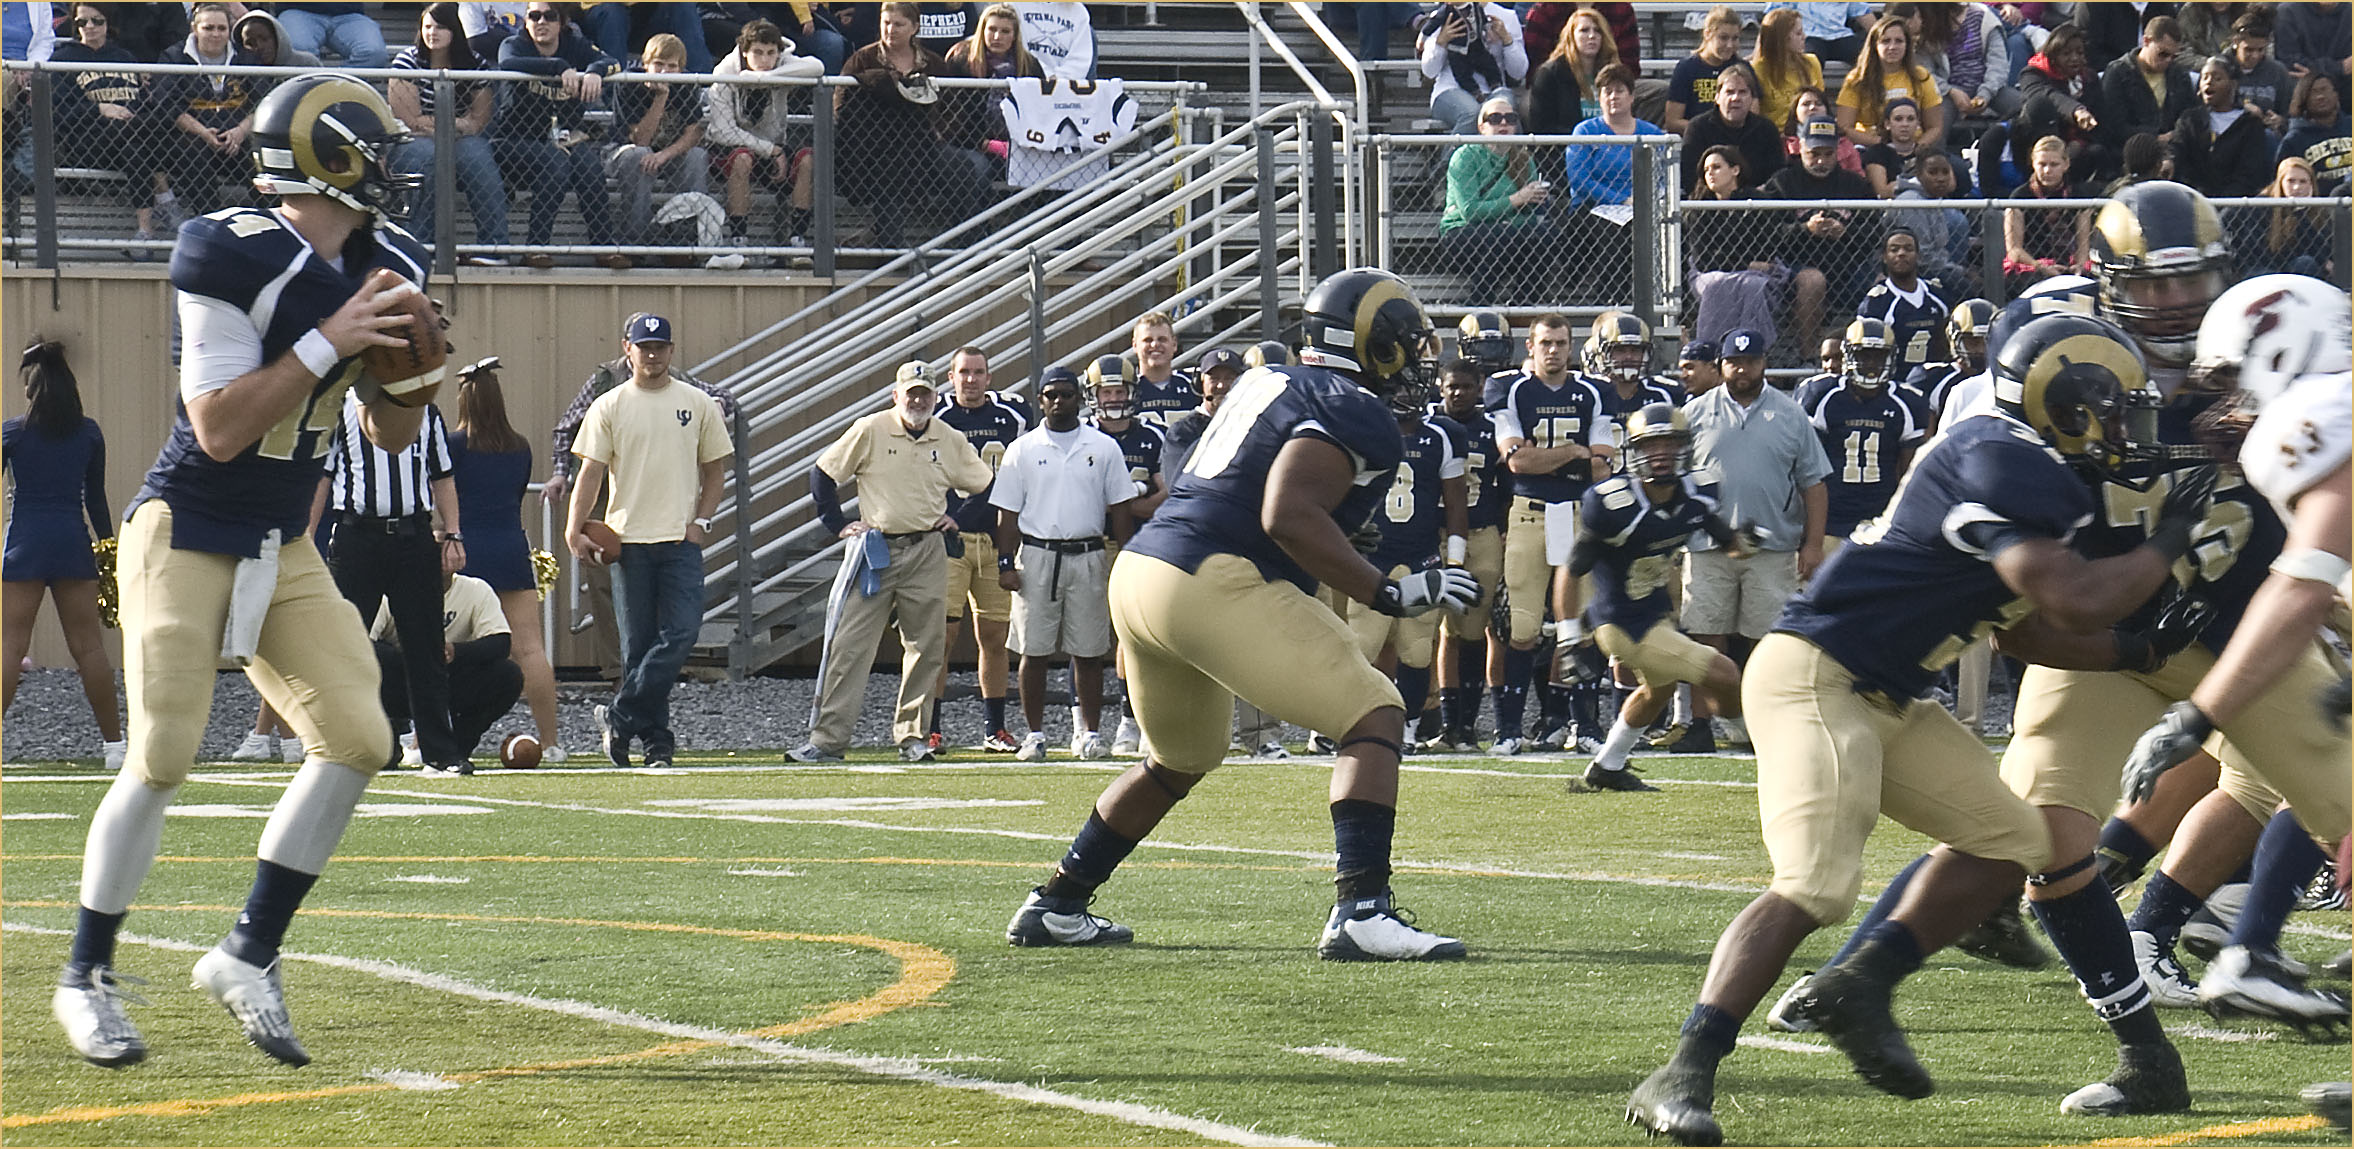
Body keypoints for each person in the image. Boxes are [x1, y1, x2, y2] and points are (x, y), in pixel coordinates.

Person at [1624, 313, 2218, 1145]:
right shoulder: (2002, 456)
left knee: (2025, 842)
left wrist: (2137, 645)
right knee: (1817, 884)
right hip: (1818, 675)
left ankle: (1863, 990)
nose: (2128, 426)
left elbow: (2018, 629)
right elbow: (2071, 596)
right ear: (2068, 403)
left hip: (1896, 696)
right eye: (2115, 406)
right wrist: (2172, 535)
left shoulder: (2030, 467)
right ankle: (1683, 1069)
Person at [50, 74, 425, 1071]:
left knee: (358, 736)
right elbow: (215, 428)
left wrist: (413, 382)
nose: (393, 162)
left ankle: (248, 951)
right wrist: (327, 342)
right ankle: (84, 975)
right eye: (376, 144)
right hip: (185, 525)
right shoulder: (229, 246)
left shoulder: (388, 262)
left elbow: (388, 427)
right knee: (164, 754)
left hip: (280, 542)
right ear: (327, 154)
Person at [1003, 266, 1476, 962]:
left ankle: (1058, 901)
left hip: (1142, 574)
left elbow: (1222, 477)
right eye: (1408, 344)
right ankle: (1362, 909)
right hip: (1210, 579)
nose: (1417, 362)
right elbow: (1285, 513)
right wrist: (1387, 591)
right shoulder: (1356, 407)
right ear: (1372, 345)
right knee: (1375, 708)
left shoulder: (1262, 379)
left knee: (1182, 756)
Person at [2122, 273, 2354, 1017]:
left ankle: (2246, 949)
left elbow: (2301, 584)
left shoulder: (2320, 415)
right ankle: (2248, 949)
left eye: (2234, 371)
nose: (2233, 396)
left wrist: (2201, 712)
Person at [794, 362, 993, 764]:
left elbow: (985, 484)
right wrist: (838, 525)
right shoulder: (870, 429)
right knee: (850, 645)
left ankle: (913, 737)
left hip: (927, 550)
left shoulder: (948, 438)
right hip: (876, 550)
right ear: (895, 395)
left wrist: (961, 518)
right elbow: (823, 474)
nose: (918, 401)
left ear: (935, 398)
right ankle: (828, 739)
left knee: (926, 647)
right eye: (911, 393)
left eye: (925, 394)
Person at [565, 314, 731, 770]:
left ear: (672, 351)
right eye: (644, 346)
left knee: (681, 632)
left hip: (680, 539)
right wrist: (574, 526)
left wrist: (702, 521)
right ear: (627, 349)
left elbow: (715, 469)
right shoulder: (610, 405)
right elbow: (591, 472)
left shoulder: (697, 403)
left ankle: (619, 717)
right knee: (636, 648)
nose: (652, 355)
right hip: (629, 540)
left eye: (660, 347)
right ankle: (656, 743)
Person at [1570, 404, 1748, 791]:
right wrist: (1569, 635)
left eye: (1669, 443)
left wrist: (1748, 542)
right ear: (1634, 451)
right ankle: (1753, 743)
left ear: (1685, 447)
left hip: (1654, 615)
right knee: (1726, 673)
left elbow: (1729, 541)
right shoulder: (1613, 503)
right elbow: (1570, 571)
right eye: (1651, 445)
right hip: (1619, 622)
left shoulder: (1696, 493)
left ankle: (1607, 766)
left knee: (1658, 691)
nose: (1661, 454)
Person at [318, 364, 468, 775]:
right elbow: (323, 479)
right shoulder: (341, 409)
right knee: (345, 644)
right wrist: (303, 539)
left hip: (412, 535)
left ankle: (439, 751)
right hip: (356, 535)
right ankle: (340, 745)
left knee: (425, 647)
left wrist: (452, 533)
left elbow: (443, 476)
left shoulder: (426, 413)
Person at [990, 368, 1135, 760]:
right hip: (1037, 555)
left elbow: (1120, 506)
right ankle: (1034, 734)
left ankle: (1089, 733)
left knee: (1088, 651)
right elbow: (1007, 512)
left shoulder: (1102, 446)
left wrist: (1126, 557)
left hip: (1088, 553)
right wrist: (1005, 563)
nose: (1058, 401)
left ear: (1078, 398)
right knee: (1032, 651)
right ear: (1040, 400)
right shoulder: (1023, 449)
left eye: (1066, 394)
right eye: (1050, 395)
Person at [1489, 313, 1611, 755]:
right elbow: (1517, 461)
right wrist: (1571, 453)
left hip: (1580, 515)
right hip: (1529, 514)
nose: (1554, 350)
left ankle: (1587, 726)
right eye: (1546, 343)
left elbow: (1600, 463)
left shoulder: (1593, 391)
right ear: (1530, 347)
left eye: (1561, 342)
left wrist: (1549, 457)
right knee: (1521, 627)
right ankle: (1507, 729)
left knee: (1579, 625)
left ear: (1571, 345)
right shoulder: (1510, 388)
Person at [2, 338, 123, 767]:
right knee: (89, 648)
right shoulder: (89, 433)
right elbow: (97, 499)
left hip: (24, 543)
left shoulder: (12, 433)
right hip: (72, 542)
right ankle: (114, 747)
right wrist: (108, 549)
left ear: (32, 390)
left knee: (10, 647)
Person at [1339, 353, 1468, 751]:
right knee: (1361, 646)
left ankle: (1409, 728)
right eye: (1399, 386)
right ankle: (1342, 722)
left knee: (1415, 652)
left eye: (1413, 385)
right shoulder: (1364, 431)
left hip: (1422, 555)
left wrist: (1456, 564)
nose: (1406, 393)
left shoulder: (1443, 436)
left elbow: (1456, 505)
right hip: (1372, 556)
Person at [446, 359, 563, 761]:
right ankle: (551, 743)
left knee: (448, 644)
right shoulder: (520, 446)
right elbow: (513, 495)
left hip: (464, 551)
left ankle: (423, 737)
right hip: (512, 548)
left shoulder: (453, 445)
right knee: (530, 648)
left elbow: (442, 496)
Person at [835, 2, 992, 249]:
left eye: (899, 24)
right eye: (886, 23)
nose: (891, 30)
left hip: (926, 145)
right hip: (877, 150)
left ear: (915, 27)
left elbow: (953, 108)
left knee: (962, 167)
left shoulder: (934, 63)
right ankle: (891, 249)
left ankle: (967, 244)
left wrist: (941, 132)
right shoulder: (862, 60)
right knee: (889, 173)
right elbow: (840, 104)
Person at [935, 346, 1030, 752]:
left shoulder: (1014, 415)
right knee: (941, 636)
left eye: (978, 372)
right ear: (951, 377)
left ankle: (995, 728)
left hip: (996, 539)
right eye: (963, 373)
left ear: (989, 377)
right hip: (949, 543)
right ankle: (930, 727)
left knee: (994, 636)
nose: (970, 380)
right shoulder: (936, 416)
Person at [495, 2, 628, 270]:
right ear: (526, 21)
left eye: (549, 16)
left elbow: (612, 61)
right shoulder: (514, 44)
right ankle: (536, 248)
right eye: (534, 16)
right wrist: (559, 67)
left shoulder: (575, 44)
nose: (541, 22)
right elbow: (507, 63)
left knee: (589, 166)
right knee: (555, 162)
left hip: (563, 139)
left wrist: (594, 71)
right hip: (513, 140)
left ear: (562, 22)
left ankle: (603, 247)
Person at [1428, 357, 1508, 752]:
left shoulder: (1493, 429)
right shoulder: (1428, 427)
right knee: (1440, 631)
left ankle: (1467, 726)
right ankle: (1443, 724)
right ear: (1440, 388)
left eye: (1465, 386)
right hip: (1435, 535)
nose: (1457, 393)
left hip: (1482, 533)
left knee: (1473, 632)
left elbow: (1507, 484)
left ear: (1480, 388)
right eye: (1451, 386)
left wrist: (1506, 529)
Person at [389, 3, 509, 264]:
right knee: (429, 158)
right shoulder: (407, 61)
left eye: (441, 27)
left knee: (478, 159)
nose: (433, 33)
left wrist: (445, 126)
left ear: (455, 30)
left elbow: (479, 120)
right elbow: (410, 121)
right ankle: (423, 247)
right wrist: (456, 123)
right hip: (414, 141)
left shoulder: (473, 64)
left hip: (460, 139)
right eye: (428, 27)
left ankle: (495, 248)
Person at [1796, 318, 1927, 553]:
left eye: (1878, 356)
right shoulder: (1822, 394)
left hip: (1880, 519)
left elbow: (1909, 473)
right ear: (1847, 355)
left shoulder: (1907, 402)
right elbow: (1808, 468)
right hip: (1830, 519)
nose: (1870, 363)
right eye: (1863, 355)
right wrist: (1809, 533)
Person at [370, 570, 523, 771]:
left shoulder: (476, 590)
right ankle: (386, 732)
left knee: (507, 675)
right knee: (369, 661)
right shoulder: (388, 590)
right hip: (403, 682)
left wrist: (455, 651)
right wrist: (415, 657)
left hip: (448, 678)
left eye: (456, 539)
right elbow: (362, 643)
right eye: (444, 540)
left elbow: (500, 642)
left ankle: (457, 746)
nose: (452, 549)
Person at [1764, 116, 1881, 361]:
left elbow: (1875, 232)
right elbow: (1767, 234)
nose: (1821, 161)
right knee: (1813, 280)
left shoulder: (1855, 185)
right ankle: (1810, 360)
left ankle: (1875, 356)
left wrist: (1846, 232)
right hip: (1794, 268)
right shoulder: (1783, 182)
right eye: (1814, 153)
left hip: (1849, 267)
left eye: (1828, 154)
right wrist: (1805, 229)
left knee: (1884, 279)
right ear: (1800, 147)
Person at [49, 3, 163, 256]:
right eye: (82, 22)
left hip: (133, 140)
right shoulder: (62, 59)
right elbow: (58, 113)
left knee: (138, 141)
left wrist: (129, 114)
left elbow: (142, 103)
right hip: (87, 142)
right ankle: (166, 201)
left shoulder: (124, 58)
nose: (89, 27)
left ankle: (146, 231)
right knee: (130, 136)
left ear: (108, 24)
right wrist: (100, 109)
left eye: (97, 21)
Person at [706, 19, 823, 254]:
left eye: (770, 53)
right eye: (757, 53)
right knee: (742, 159)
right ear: (745, 51)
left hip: (774, 147)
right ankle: (739, 240)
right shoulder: (725, 72)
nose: (764, 60)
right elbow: (723, 131)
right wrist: (771, 150)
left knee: (807, 159)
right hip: (730, 149)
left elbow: (816, 67)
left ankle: (797, 240)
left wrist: (764, 78)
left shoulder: (779, 63)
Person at [1438, 94, 1562, 306]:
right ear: (1481, 126)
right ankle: (1479, 302)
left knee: (1547, 233)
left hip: (1511, 236)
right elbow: (1470, 212)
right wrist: (1516, 199)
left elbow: (1531, 215)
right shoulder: (1465, 156)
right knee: (1501, 234)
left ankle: (1525, 303)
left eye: (1510, 118)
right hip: (1461, 234)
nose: (1503, 123)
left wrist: (1529, 205)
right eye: (1495, 119)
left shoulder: (1523, 159)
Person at [1562, 64, 1662, 305]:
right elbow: (1580, 179)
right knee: (1614, 233)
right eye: (1607, 92)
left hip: (1641, 206)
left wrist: (1647, 200)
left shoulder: (1652, 133)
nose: (1612, 97)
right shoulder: (1585, 130)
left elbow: (1662, 175)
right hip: (1593, 208)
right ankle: (1608, 302)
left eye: (1619, 91)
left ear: (1632, 97)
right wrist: (1621, 199)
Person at [156, 3, 264, 217]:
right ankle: (210, 220)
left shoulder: (245, 58)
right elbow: (167, 105)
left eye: (221, 28)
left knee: (259, 155)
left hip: (238, 137)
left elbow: (261, 100)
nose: (216, 34)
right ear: (194, 29)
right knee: (191, 151)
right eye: (208, 28)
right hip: (193, 137)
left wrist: (240, 132)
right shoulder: (174, 56)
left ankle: (274, 219)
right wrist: (203, 132)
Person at [608, 32, 712, 250]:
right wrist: (661, 98)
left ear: (681, 69)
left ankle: (685, 243)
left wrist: (664, 154)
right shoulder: (628, 82)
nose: (665, 72)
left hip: (666, 153)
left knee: (697, 157)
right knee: (639, 156)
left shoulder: (685, 84)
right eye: (658, 64)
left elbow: (694, 133)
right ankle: (635, 243)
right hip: (624, 151)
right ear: (646, 64)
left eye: (672, 66)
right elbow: (640, 139)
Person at [1684, 144, 1780, 350]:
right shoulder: (1698, 206)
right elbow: (1704, 260)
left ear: (1735, 170)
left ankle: (1753, 351)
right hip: (1708, 274)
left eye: (1716, 167)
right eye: (1706, 169)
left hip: (1754, 275)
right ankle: (1713, 352)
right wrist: (1745, 262)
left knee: (1752, 286)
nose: (1710, 173)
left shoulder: (1758, 202)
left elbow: (1764, 249)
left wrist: (1731, 258)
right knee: (1716, 284)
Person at [2017, 21, 2118, 185]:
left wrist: (2081, 142)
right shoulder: (2032, 74)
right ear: (2054, 56)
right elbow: (2048, 95)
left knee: (2100, 152)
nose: (2075, 59)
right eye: (2067, 54)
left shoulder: (2090, 79)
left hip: (2079, 147)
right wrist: (2076, 110)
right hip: (2039, 147)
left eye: (2079, 53)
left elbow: (2102, 121)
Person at [1415, 1, 1528, 135]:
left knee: (1505, 114)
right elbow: (1429, 71)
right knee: (1472, 113)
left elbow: (1518, 72)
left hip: (1494, 88)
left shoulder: (1507, 17)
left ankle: (1516, 156)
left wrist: (1507, 40)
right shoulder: (1445, 14)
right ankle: (1453, 157)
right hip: (1450, 88)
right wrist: (1441, 42)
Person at [1839, 15, 1947, 149]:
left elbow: (1935, 127)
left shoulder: (1921, 76)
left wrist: (1916, 147)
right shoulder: (1856, 79)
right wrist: (1882, 145)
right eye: (1885, 41)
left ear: (1907, 45)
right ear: (1874, 45)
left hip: (1914, 148)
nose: (1892, 47)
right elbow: (1844, 127)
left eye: (1899, 41)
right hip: (1871, 148)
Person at [2171, 56, 2271, 196]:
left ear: (2233, 84)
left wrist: (2226, 204)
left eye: (2217, 78)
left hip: (2235, 204)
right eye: (2204, 77)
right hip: (2193, 200)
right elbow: (2179, 155)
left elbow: (2249, 173)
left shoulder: (2250, 124)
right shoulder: (2189, 119)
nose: (2209, 82)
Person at [1856, 229, 1953, 373]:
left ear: (1918, 256)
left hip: (1934, 376)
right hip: (1894, 380)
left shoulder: (1936, 294)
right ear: (1884, 257)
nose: (1901, 254)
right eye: (1894, 250)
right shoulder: (1876, 303)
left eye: (1908, 249)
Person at [1679, 61, 1783, 194]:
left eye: (1742, 92)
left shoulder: (1767, 129)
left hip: (1756, 205)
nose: (1736, 98)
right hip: (1709, 205)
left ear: (1752, 98)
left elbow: (1776, 175)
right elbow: (1689, 176)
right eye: (1729, 92)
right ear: (1717, 97)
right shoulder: (1697, 128)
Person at [2005, 135, 2091, 294]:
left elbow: (2083, 244)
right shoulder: (2019, 196)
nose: (2047, 170)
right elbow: (2014, 250)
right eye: (2042, 164)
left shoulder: (2079, 195)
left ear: (2066, 164)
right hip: (2031, 265)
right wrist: (2041, 267)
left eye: (2054, 165)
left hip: (2069, 265)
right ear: (2033, 163)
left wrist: (2079, 267)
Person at [1526, 6, 1616, 159]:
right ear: (1571, 36)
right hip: (1565, 156)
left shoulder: (1611, 72)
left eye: (1598, 31)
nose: (1592, 36)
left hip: (1609, 154)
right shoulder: (1549, 73)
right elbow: (1541, 128)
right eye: (1584, 30)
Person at [1902, 297, 1996, 434]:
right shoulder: (1932, 377)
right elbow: (1922, 440)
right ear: (1954, 340)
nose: (1981, 349)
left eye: (1987, 341)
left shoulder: (2006, 378)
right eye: (1973, 342)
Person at [1915, 0, 2018, 124]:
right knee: (1937, 122)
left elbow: (1998, 64)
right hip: (1948, 93)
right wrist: (1950, 91)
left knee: (2025, 108)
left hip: (1991, 88)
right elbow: (1925, 72)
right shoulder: (1929, 32)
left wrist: (1985, 93)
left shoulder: (1982, 16)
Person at [2241, 157, 2342, 281]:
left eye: (2303, 182)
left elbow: (2320, 253)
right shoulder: (2261, 205)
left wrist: (2300, 213)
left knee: (2306, 263)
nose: (2296, 187)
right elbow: (2253, 252)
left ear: (2311, 184)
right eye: (2291, 181)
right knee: (2264, 274)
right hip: (2264, 266)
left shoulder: (2319, 210)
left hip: (2295, 267)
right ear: (2281, 182)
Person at [2101, 14, 2196, 145]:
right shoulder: (2118, 73)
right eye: (2163, 54)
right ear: (2146, 41)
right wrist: (2155, 137)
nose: (2168, 60)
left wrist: (2177, 133)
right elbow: (2115, 126)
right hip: (2133, 150)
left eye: (2174, 56)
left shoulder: (2178, 73)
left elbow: (2190, 113)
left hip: (2175, 147)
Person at [1663, 6, 1743, 134]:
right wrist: (1707, 130)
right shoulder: (1686, 68)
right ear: (1707, 34)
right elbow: (1673, 121)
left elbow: (1753, 114)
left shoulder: (1743, 68)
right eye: (1723, 38)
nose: (1730, 45)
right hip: (1697, 140)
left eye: (1735, 38)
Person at [1749, 7, 1823, 133]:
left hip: (1808, 133)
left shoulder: (1812, 62)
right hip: (1775, 135)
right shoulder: (1758, 70)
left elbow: (1821, 104)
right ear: (1782, 39)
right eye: (1798, 33)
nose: (1804, 37)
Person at [2278, 73, 2353, 192]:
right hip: (2317, 206)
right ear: (2304, 99)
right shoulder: (2294, 140)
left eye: (2324, 90)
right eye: (2314, 92)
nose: (2320, 97)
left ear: (2336, 94)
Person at [1128, 312, 1196, 430]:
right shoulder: (1126, 390)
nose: (1155, 344)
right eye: (1147, 340)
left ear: (1174, 344)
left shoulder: (1194, 386)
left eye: (1162, 339)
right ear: (1135, 345)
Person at [272, 1, 388, 69]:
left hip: (350, 14)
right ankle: (313, 89)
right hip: (296, 10)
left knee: (375, 53)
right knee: (299, 51)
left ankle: (334, 87)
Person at [2223, 14, 2293, 123]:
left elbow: (2290, 113)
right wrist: (2241, 107)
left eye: (2260, 50)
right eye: (2249, 50)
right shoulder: (2219, 68)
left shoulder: (2278, 72)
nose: (2255, 56)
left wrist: (2281, 121)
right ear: (2236, 42)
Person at [1859, 98, 1933, 197]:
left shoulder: (1928, 153)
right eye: (1898, 119)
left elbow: (1947, 186)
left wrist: (1898, 185)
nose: (1905, 124)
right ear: (1887, 124)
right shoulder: (1876, 153)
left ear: (1918, 124)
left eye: (1910, 119)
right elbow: (1882, 192)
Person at [1013, 1, 1093, 79]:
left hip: (1064, 87)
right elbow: (1017, 49)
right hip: (1025, 79)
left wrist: (1058, 79)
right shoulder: (1015, 5)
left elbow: (1080, 59)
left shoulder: (1079, 12)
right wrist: (1044, 75)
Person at [232, 9, 319, 71]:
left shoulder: (306, 63)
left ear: (278, 37)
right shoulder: (238, 70)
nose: (259, 46)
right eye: (250, 43)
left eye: (265, 39)